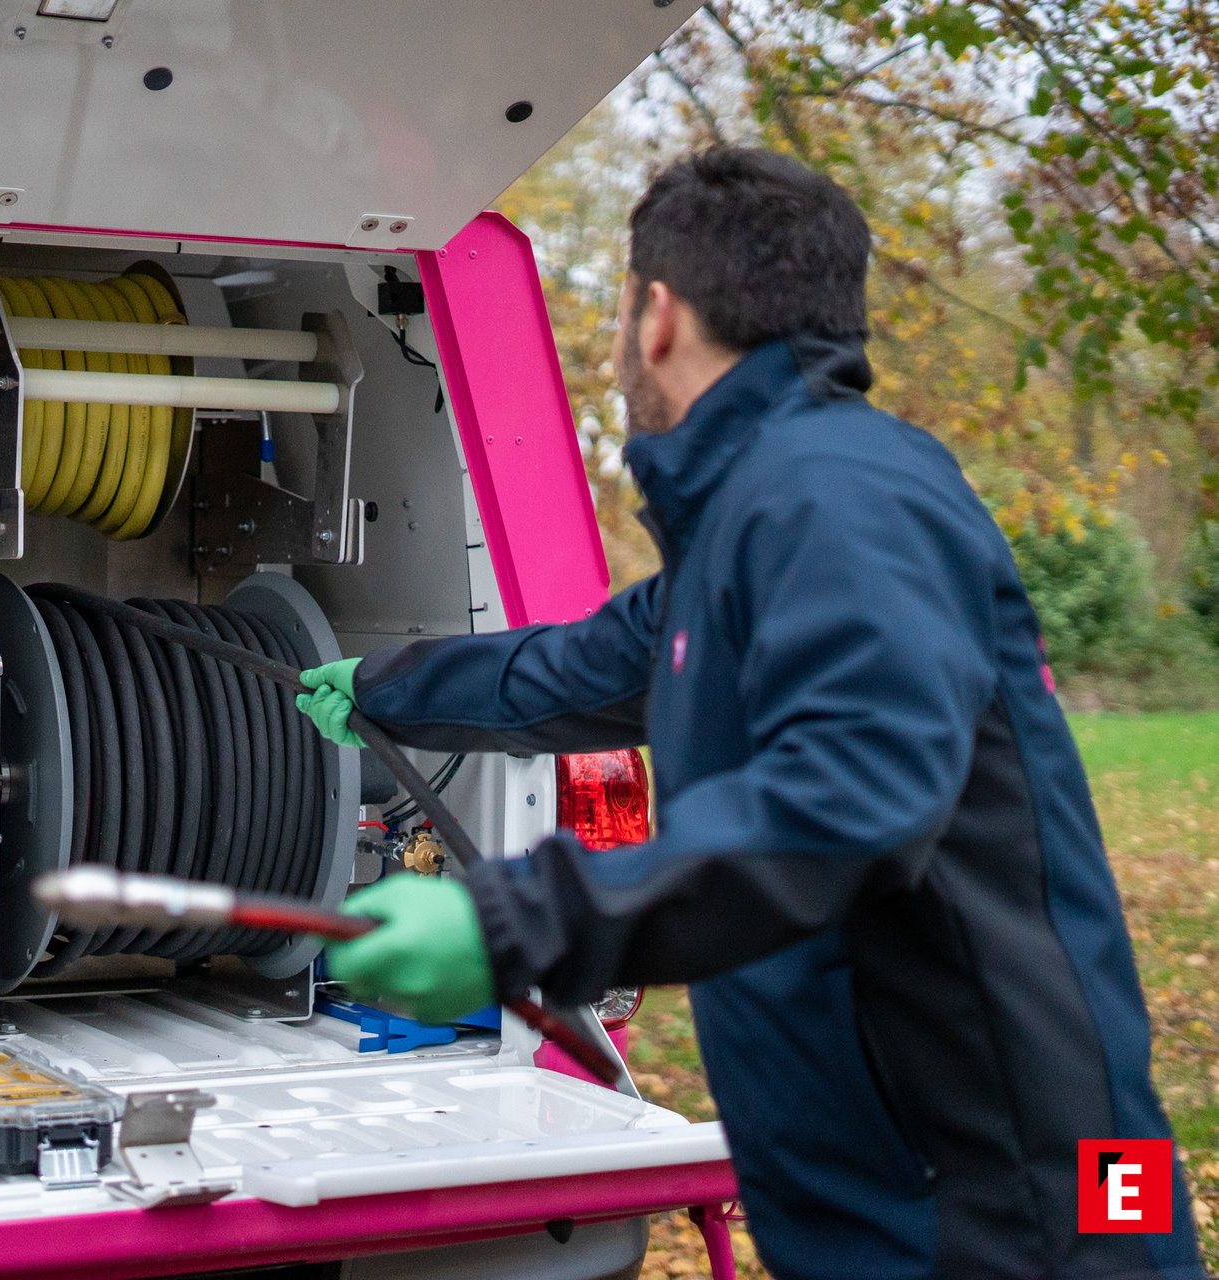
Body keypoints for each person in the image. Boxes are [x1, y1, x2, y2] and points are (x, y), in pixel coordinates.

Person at [296, 148, 1205, 1280]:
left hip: (1025, 1209)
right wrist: (383, 687)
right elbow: (582, 671)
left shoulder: (837, 496)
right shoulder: (762, 516)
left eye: (619, 311)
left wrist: (513, 923)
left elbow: (847, 797)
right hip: (936, 1195)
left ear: (658, 315)